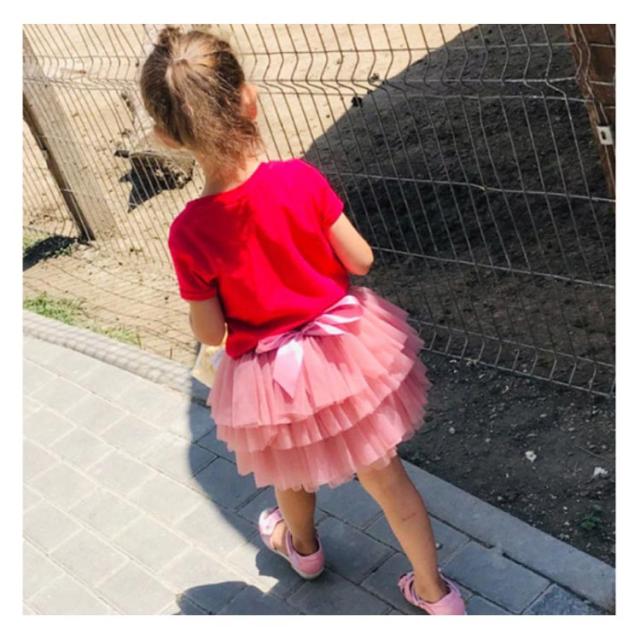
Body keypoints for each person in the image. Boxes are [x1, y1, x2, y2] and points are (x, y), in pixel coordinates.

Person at [140, 25, 466, 615]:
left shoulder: (188, 231)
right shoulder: (300, 179)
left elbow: (211, 333)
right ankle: (435, 594)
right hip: (343, 354)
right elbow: (360, 259)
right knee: (386, 477)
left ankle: (305, 551)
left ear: (167, 136)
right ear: (249, 99)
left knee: (290, 471)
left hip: (272, 377)